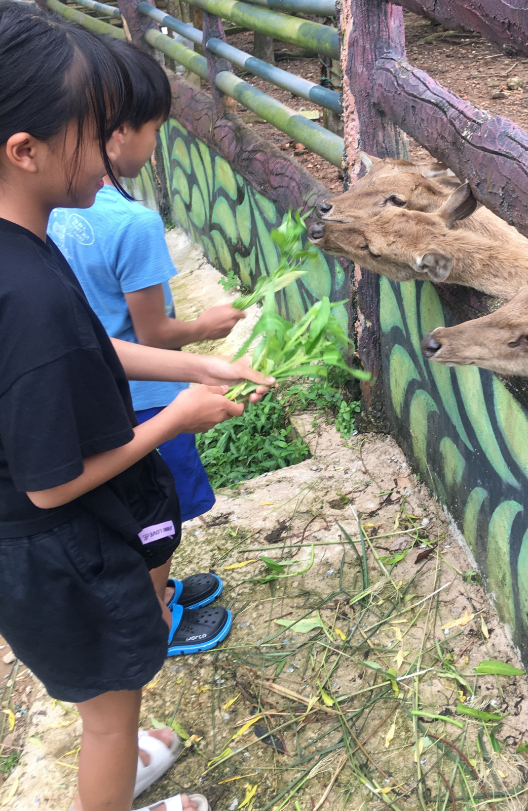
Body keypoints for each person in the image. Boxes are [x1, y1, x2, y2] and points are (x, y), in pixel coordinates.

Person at [0, 5, 273, 810]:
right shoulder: (29, 294)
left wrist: (194, 362)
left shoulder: (25, 246)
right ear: (26, 149)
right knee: (111, 716)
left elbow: (87, 352)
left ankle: (114, 779)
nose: (114, 149)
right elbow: (52, 483)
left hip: (35, 551)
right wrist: (173, 418)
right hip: (60, 545)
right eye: (97, 130)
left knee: (105, 708)